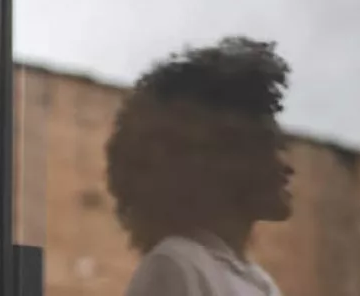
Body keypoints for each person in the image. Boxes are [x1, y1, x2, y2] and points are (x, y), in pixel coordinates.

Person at [106, 37, 294, 296]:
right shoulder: (176, 265)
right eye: (266, 148)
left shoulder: (259, 283)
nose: (286, 167)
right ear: (215, 162)